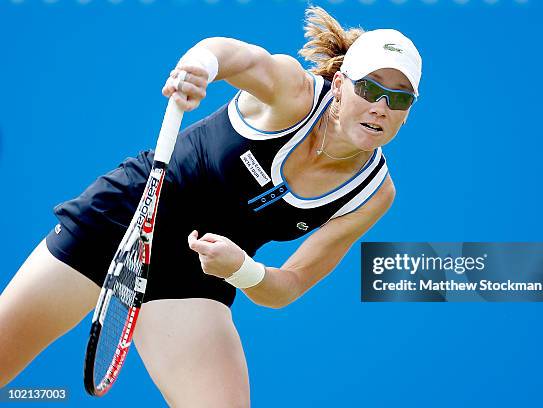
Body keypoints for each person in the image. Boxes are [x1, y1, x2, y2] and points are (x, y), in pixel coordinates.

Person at [0, 6, 421, 407]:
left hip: (197, 276)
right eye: (370, 88)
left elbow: (289, 285)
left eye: (398, 99)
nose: (380, 107)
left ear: (407, 113)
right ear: (342, 81)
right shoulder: (292, 92)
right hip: (120, 220)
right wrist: (199, 66)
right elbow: (231, 55)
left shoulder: (373, 194)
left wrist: (241, 269)